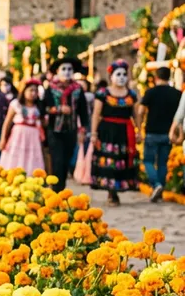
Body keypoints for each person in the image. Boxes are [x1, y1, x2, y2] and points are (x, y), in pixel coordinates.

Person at [90, 59, 139, 206]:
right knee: (109, 161)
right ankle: (111, 193)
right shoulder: (103, 94)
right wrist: (93, 133)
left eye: (124, 74)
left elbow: (136, 115)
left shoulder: (131, 95)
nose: (122, 77)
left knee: (122, 160)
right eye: (118, 74)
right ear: (111, 76)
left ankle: (118, 188)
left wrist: (139, 130)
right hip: (107, 131)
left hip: (125, 132)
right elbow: (96, 114)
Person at [44, 57, 89, 191]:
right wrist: (58, 109)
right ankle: (57, 190)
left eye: (69, 69)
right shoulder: (51, 88)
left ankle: (61, 187)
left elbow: (83, 112)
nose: (67, 72)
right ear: (57, 71)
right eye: (63, 69)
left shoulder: (78, 89)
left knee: (66, 160)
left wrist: (83, 130)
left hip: (71, 130)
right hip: (54, 131)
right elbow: (43, 107)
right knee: (57, 160)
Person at [139, 67, 180, 201]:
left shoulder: (150, 92)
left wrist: (139, 127)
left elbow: (140, 111)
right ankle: (160, 190)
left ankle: (156, 185)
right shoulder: (176, 93)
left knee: (148, 161)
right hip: (168, 133)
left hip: (152, 132)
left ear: (156, 77)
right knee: (163, 163)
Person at [0, 80, 45, 175]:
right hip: (18, 136)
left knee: (31, 159)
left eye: (36, 91)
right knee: (14, 159)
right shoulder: (16, 104)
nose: (33, 93)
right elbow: (7, 122)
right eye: (31, 90)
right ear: (24, 91)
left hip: (33, 138)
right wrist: (3, 139)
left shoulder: (38, 106)